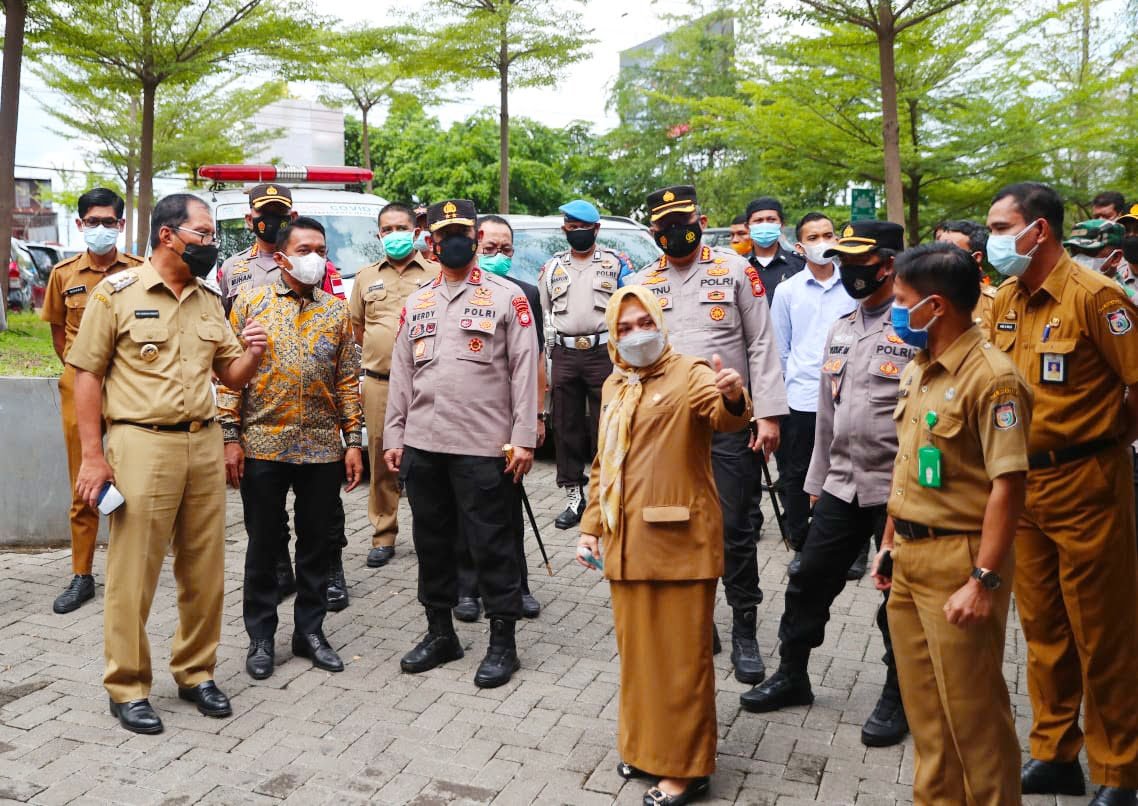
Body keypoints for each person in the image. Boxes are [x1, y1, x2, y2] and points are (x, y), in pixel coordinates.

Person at [67, 193, 268, 734]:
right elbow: (86, 373)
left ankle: (196, 671)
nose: (211, 242)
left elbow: (230, 375)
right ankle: (127, 685)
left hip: (202, 442)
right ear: (167, 235)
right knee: (133, 572)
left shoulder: (208, 299)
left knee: (204, 569)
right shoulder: (118, 294)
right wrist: (92, 456)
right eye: (202, 232)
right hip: (141, 442)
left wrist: (252, 353)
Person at [987, 182, 1138, 804]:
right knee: (1043, 629)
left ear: (1038, 230)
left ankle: (1118, 768)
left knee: (1102, 632)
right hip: (1023, 487)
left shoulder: (1097, 297)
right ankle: (1054, 752)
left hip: (1087, 485)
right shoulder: (1002, 300)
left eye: (1001, 227)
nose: (994, 239)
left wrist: (1108, 443)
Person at [577, 285, 753, 806]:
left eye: (642, 323)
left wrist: (733, 393)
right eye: (623, 328)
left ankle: (686, 770)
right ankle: (646, 749)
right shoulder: (615, 384)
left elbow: (723, 414)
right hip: (626, 545)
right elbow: (603, 464)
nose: (635, 335)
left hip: (679, 543)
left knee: (681, 663)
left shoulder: (691, 372)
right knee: (640, 660)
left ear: (659, 321)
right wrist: (591, 525)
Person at [741, 220, 914, 748]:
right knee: (807, 578)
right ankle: (793, 674)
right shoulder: (842, 326)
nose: (849, 272)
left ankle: (899, 694)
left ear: (887, 265)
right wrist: (815, 480)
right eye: (845, 261)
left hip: (898, 491)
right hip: (841, 483)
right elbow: (825, 416)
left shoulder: (917, 328)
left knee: (899, 600)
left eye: (860, 263)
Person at [878, 240, 1031, 805]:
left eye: (901, 299)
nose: (896, 310)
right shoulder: (923, 368)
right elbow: (910, 465)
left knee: (975, 718)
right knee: (929, 721)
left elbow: (1008, 486)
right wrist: (890, 541)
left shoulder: (993, 379)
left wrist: (984, 579)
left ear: (935, 306)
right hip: (911, 557)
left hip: (960, 561)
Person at [627, 185, 787, 686]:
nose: (677, 230)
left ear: (701, 218)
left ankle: (744, 628)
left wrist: (769, 415)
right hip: (668, 428)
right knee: (679, 523)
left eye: (684, 219)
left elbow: (761, 342)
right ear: (654, 231)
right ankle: (699, 621)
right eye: (666, 224)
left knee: (736, 525)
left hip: (729, 418)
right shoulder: (641, 283)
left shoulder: (735, 270)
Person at [383, 199, 538, 689]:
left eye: (463, 233)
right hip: (425, 444)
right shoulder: (418, 301)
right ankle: (440, 633)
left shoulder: (507, 297)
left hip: (484, 446)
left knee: (493, 543)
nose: (454, 241)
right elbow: (403, 375)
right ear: (431, 241)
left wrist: (524, 439)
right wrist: (394, 434)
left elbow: (526, 371)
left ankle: (502, 643)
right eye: (445, 232)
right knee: (432, 543)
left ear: (474, 239)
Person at [218, 217, 363, 680]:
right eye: (305, 249)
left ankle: (310, 632)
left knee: (317, 544)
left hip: (322, 449)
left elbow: (347, 382)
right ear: (281, 256)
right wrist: (230, 438)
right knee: (265, 543)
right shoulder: (249, 303)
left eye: (320, 248)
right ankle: (261, 636)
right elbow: (227, 377)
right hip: (262, 445)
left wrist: (353, 441)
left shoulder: (336, 311)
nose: (315, 257)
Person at [40, 187, 143, 614]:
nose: (101, 228)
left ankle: (131, 570)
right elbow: (59, 334)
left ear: (121, 225)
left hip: (129, 386)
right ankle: (82, 575)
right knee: (84, 479)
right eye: (93, 221)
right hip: (79, 387)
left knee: (133, 480)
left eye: (109, 221)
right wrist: (81, 373)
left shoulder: (138, 271)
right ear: (81, 224)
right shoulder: (63, 274)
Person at [453, 214, 546, 622]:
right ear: (475, 244)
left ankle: (517, 584)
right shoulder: (450, 290)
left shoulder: (525, 293)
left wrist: (537, 417)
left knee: (508, 507)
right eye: (490, 248)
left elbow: (536, 360)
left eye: (506, 249)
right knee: (463, 509)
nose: (499, 255)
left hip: (507, 421)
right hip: (463, 418)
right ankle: (467, 588)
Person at [348, 202, 433, 571]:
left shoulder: (435, 272)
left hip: (428, 382)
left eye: (402, 228)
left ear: (416, 232)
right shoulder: (366, 277)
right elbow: (357, 327)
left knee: (427, 460)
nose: (394, 234)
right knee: (382, 458)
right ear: (379, 235)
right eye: (387, 229)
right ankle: (383, 534)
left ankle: (430, 533)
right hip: (381, 383)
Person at [768, 213, 855, 559]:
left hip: (846, 396)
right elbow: (780, 348)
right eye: (814, 237)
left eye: (828, 234)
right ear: (800, 247)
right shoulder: (788, 291)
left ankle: (847, 546)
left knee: (844, 469)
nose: (823, 242)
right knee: (796, 471)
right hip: (801, 397)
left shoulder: (852, 287)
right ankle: (800, 542)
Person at [537, 199, 622, 530]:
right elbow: (546, 312)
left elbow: (629, 308)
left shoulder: (616, 265)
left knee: (608, 425)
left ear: (596, 229)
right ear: (564, 231)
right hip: (565, 354)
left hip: (605, 353)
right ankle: (574, 497)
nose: (577, 233)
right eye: (571, 228)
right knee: (566, 426)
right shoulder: (552, 268)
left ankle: (609, 495)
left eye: (583, 228)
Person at [934, 219, 996, 332]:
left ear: (976, 257)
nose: (940, 257)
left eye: (951, 250)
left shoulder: (996, 302)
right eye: (937, 249)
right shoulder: (921, 299)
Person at [743, 196, 805, 304]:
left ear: (782, 225)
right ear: (747, 227)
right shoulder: (739, 265)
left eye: (771, 220)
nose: (765, 225)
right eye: (758, 221)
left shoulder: (800, 265)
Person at [1064, 218, 1137, 298]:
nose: (1078, 258)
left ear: (1115, 258)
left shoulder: (1130, 304)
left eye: (1089, 251)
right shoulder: (1062, 295)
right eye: (1074, 251)